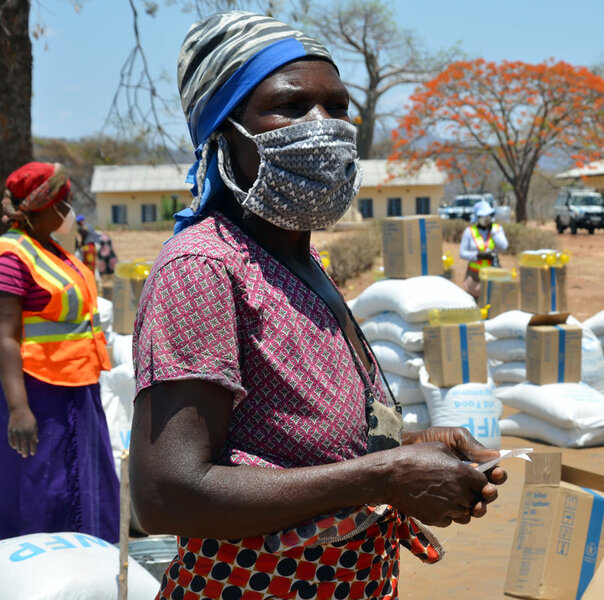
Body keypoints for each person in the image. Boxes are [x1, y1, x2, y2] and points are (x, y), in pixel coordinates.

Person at [129, 11, 507, 600]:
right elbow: (166, 494)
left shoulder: (300, 263)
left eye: (337, 107)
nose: (323, 126)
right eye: (290, 106)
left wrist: (411, 449)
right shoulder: (205, 268)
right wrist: (386, 475)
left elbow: (283, 447)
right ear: (223, 130)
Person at [0, 162, 118, 543]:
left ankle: (88, 565)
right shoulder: (12, 254)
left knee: (85, 484)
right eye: (63, 202)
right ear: (43, 207)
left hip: (76, 387)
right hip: (38, 394)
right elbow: (4, 336)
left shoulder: (50, 249)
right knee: (40, 491)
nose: (68, 211)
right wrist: (18, 408)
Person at [460, 203, 509, 299]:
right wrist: (477, 255)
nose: (486, 219)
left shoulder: (497, 229)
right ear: (477, 217)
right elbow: (462, 253)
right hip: (474, 276)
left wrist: (493, 232)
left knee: (493, 302)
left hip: (493, 273)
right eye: (483, 216)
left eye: (488, 216)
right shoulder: (469, 231)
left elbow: (504, 247)